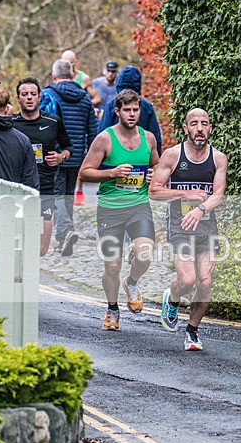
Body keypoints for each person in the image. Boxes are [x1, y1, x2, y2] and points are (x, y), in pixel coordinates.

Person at [78, 89, 160, 331]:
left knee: (145, 253)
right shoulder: (104, 139)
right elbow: (84, 173)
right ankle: (112, 309)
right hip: (110, 209)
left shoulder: (149, 139)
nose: (132, 114)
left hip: (138, 205)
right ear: (117, 111)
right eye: (127, 110)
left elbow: (157, 165)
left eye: (135, 110)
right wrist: (112, 173)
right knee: (112, 266)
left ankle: (131, 282)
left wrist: (154, 174)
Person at [149, 108, 227, 351]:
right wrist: (185, 194)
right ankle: (172, 299)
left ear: (210, 128)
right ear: (186, 128)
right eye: (194, 124)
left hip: (206, 225)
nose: (200, 128)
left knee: (205, 281)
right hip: (179, 225)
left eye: (204, 123)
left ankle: (192, 331)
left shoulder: (218, 158)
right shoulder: (172, 155)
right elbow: (154, 191)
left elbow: (218, 194)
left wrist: (200, 209)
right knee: (187, 278)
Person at [39, 58, 99, 256]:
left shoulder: (48, 94)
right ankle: (62, 240)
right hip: (76, 155)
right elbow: (93, 130)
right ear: (73, 75)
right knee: (67, 196)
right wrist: (91, 158)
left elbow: (41, 124)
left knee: (56, 196)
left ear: (54, 75)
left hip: (54, 155)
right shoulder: (85, 98)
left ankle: (65, 231)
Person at [12, 77, 74, 256]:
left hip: (45, 188)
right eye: (25, 94)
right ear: (18, 99)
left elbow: (69, 147)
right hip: (18, 189)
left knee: (41, 250)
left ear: (39, 98)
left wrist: (61, 157)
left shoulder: (52, 122)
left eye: (33, 94)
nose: (29, 97)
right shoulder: (11, 123)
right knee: (18, 244)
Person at [98, 66, 162, 156]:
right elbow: (155, 136)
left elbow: (102, 133)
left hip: (115, 156)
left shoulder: (112, 104)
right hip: (142, 155)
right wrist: (156, 158)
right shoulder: (146, 106)